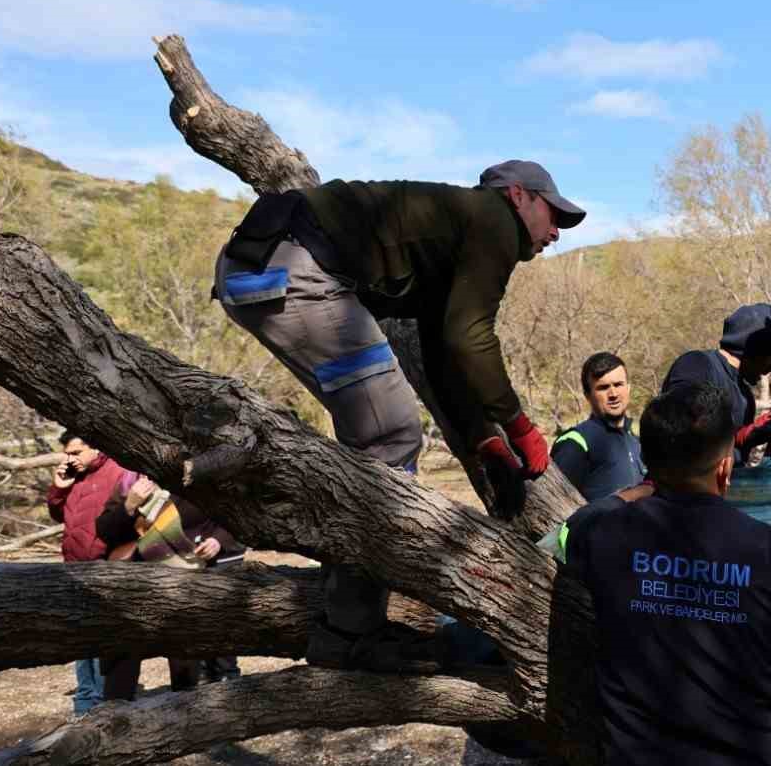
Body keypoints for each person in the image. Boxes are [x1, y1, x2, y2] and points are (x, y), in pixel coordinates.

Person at [212, 160, 585, 672]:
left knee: (377, 444)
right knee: (390, 439)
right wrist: (518, 426)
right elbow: (471, 337)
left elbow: (441, 345)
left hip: (265, 264)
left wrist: (483, 438)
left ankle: (347, 609)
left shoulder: (457, 229)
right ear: (518, 195)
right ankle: (348, 633)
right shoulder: (493, 219)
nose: (556, 233)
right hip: (290, 272)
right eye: (553, 214)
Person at [556, 381, 771, 765]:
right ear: (725, 467)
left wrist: (632, 495)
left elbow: (564, 535)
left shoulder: (604, 537)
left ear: (648, 466)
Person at [662, 305, 771, 534]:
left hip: (724, 488)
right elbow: (678, 429)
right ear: (752, 349)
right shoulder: (697, 364)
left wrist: (760, 434)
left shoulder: (745, 396)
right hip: (689, 485)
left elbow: (735, 449)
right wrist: (743, 434)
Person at [93, 472, 241, 701]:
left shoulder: (199, 479)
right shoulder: (130, 482)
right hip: (133, 587)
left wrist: (217, 541)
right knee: (121, 662)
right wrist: (129, 505)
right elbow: (105, 531)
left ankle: (188, 720)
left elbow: (232, 519)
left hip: (184, 584)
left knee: (185, 663)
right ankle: (115, 722)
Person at [46, 431, 127, 716]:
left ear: (96, 448)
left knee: (105, 639)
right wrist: (58, 488)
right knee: (82, 639)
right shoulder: (74, 476)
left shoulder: (118, 472)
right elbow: (60, 516)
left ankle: (106, 704)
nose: (70, 459)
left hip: (107, 568)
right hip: (74, 569)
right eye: (67, 454)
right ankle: (84, 705)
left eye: (76, 453)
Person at [551, 352, 645, 501]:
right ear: (587, 395)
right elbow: (557, 504)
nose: (613, 394)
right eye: (603, 387)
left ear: (628, 388)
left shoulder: (639, 441)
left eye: (618, 384)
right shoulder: (575, 442)